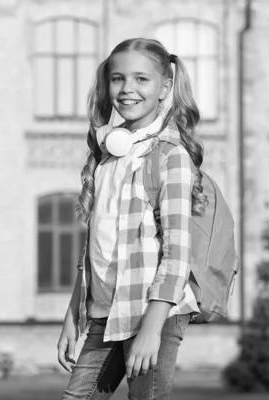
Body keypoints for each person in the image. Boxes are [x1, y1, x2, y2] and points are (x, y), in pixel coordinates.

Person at [57, 37, 207, 400]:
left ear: (165, 87)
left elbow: (176, 255)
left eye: (142, 79)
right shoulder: (107, 156)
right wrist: (73, 315)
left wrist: (153, 328)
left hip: (150, 312)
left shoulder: (170, 157)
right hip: (102, 314)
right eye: (118, 79)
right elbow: (96, 245)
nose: (127, 89)